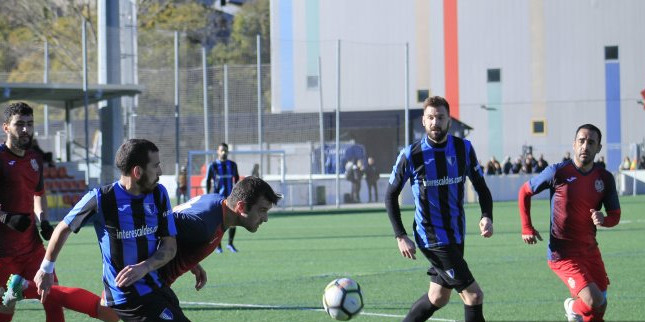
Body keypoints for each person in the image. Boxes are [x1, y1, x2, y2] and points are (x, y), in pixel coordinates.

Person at [34, 139, 188, 322]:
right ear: (137, 172)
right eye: (156, 166)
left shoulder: (159, 194)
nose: (160, 172)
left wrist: (144, 267)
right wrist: (46, 268)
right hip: (127, 296)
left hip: (157, 286)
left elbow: (170, 246)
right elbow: (63, 227)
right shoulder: (101, 199)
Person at [385, 96, 494, 322]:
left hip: (455, 233)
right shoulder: (411, 155)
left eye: (440, 117)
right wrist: (400, 235)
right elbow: (390, 194)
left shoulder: (463, 148)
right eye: (431, 118)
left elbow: (481, 186)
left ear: (449, 121)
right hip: (431, 236)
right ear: (423, 122)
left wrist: (486, 216)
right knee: (473, 295)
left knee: (438, 297)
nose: (436, 122)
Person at [518, 124, 620, 321]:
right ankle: (572, 307)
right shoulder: (557, 172)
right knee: (592, 301)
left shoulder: (605, 179)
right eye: (581, 141)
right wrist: (526, 227)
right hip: (562, 254)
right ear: (574, 144)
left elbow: (615, 215)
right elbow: (524, 191)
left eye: (591, 142)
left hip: (590, 250)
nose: (585, 146)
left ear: (599, 148)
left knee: (601, 304)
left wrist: (604, 219)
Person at [161, 176, 282, 287]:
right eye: (262, 210)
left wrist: (191, 260)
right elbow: (160, 221)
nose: (265, 218)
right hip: (149, 285)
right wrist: (145, 267)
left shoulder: (216, 203)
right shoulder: (203, 226)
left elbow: (179, 224)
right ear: (241, 207)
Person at [0, 102, 59, 321]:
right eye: (19, 124)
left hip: (32, 247)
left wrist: (43, 220)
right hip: (3, 254)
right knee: (6, 309)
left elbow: (38, 193)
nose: (26, 130)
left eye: (30, 124)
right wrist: (5, 217)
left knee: (52, 297)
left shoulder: (35, 158)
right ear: (6, 127)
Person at [206, 143, 240, 253]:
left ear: (228, 152)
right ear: (218, 151)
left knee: (234, 221)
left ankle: (230, 244)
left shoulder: (233, 165)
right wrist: (208, 195)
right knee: (218, 223)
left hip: (231, 198)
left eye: (225, 150)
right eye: (222, 150)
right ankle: (218, 246)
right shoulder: (213, 166)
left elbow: (237, 179)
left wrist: (237, 193)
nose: (224, 152)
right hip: (218, 199)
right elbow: (208, 181)